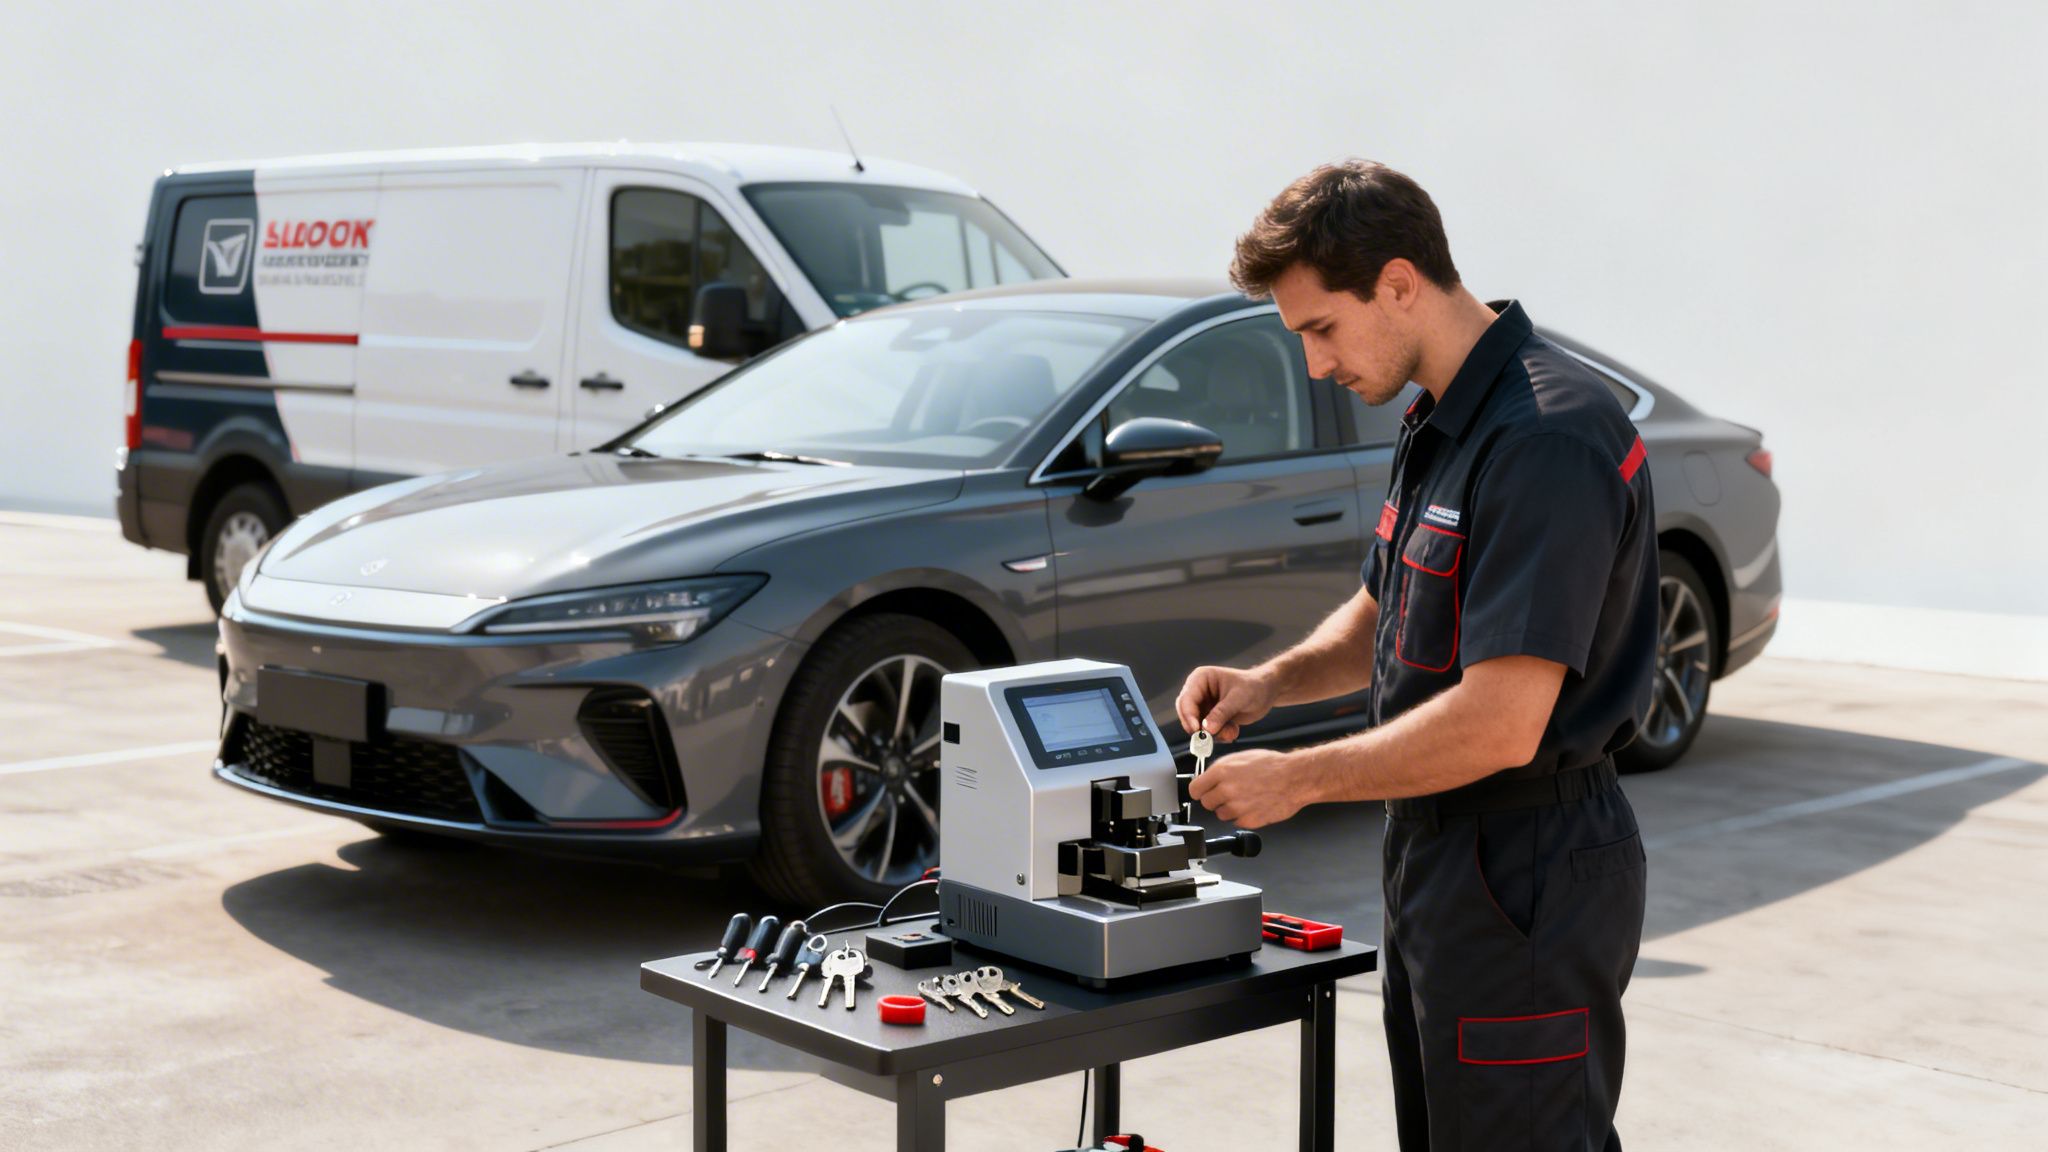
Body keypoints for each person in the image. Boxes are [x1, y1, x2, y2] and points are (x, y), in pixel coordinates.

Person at [1180, 160, 1657, 1151]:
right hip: (1439, 859)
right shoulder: (1442, 421)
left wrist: (1297, 781)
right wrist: (1271, 683)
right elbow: (1379, 609)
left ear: (1399, 283)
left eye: (1320, 329)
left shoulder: (1544, 439)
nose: (1315, 365)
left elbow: (1498, 721)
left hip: (1524, 864)